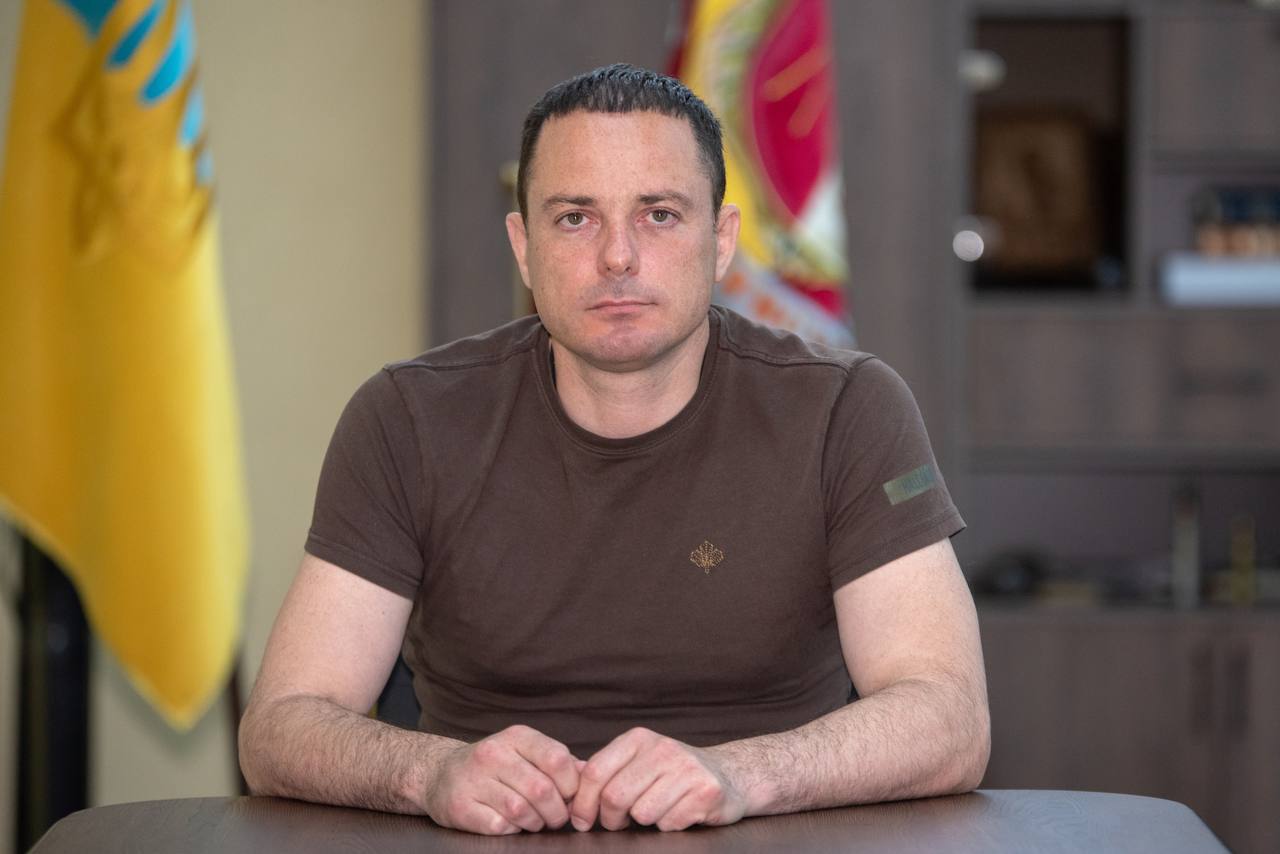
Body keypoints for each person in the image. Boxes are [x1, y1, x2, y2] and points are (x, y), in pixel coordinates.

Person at [238, 63, 989, 836]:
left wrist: (742, 775)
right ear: (523, 246)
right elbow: (280, 726)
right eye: (575, 218)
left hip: (770, 835)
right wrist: (427, 772)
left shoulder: (846, 408)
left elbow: (950, 717)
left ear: (721, 239)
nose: (618, 257)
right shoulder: (407, 418)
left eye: (659, 214)